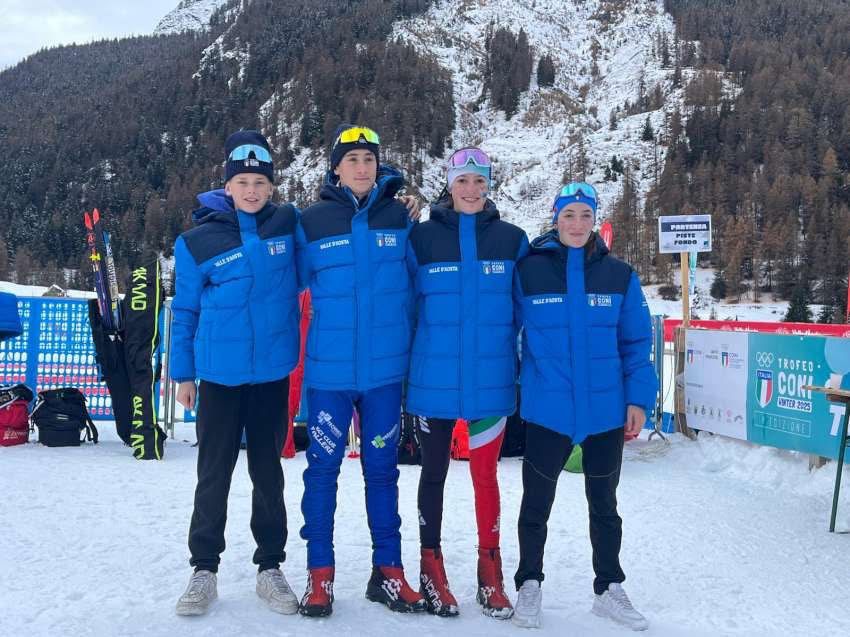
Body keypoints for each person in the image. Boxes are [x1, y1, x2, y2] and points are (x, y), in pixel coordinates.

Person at [511, 182, 658, 630]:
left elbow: (636, 343)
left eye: (585, 215)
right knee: (536, 505)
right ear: (556, 218)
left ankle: (608, 588)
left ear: (596, 220)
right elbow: (505, 332)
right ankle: (529, 583)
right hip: (547, 409)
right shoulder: (528, 271)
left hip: (604, 412)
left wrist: (638, 399)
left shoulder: (619, 275)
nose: (577, 224)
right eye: (569, 215)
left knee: (605, 506)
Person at [295, 124, 424, 617]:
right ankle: (320, 575)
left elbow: (419, 286)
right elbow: (282, 288)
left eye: (369, 159)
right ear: (336, 168)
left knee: (382, 473)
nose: (362, 167)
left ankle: (388, 571)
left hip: (384, 374)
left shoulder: (400, 216)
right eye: (352, 160)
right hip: (329, 375)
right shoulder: (311, 222)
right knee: (322, 472)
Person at [171, 130, 301, 617]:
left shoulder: (288, 225)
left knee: (268, 474)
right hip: (219, 377)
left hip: (271, 374)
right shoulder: (196, 241)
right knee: (213, 472)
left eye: (260, 183)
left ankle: (270, 566)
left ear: (271, 187)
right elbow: (185, 311)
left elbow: (327, 253)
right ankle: (204, 568)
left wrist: (391, 202)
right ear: (227, 185)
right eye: (242, 182)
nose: (251, 191)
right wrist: (183, 374)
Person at [405, 147, 528, 619]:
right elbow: (406, 308)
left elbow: (525, 312)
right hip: (431, 384)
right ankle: (430, 567)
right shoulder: (421, 238)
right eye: (463, 181)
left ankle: (489, 570)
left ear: (489, 185)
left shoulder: (512, 240)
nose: (471, 190)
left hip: (490, 383)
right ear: (449, 184)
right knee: (433, 474)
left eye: (479, 181)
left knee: (485, 477)